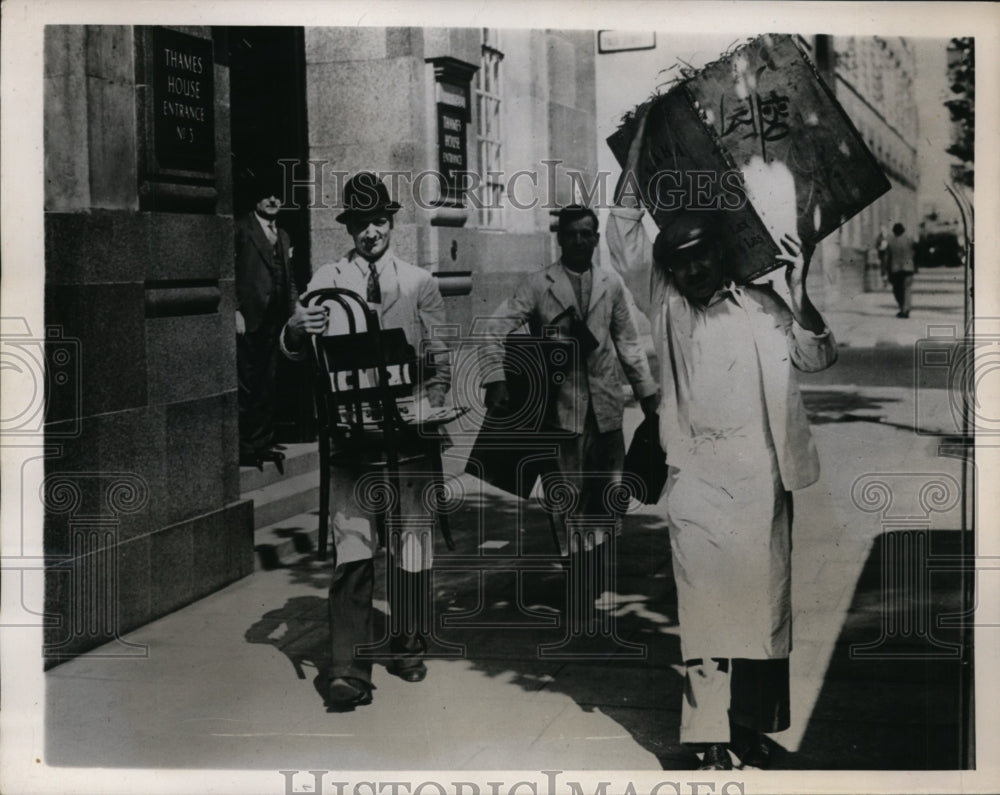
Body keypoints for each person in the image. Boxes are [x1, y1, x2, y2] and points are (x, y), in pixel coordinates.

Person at [606, 113, 838, 770]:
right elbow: (621, 236)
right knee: (705, 611)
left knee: (763, 611)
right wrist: (640, 155)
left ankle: (750, 727)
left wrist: (799, 293)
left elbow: (819, 356)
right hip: (698, 478)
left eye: (702, 256)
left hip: (762, 478)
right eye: (681, 262)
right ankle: (707, 735)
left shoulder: (764, 306)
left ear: (720, 252)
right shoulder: (667, 306)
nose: (694, 269)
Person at [281, 172, 451, 710]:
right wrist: (296, 329)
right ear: (349, 229)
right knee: (353, 541)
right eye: (361, 224)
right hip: (352, 434)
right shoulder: (327, 278)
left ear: (391, 223)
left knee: (411, 540)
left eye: (379, 221)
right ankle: (347, 670)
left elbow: (439, 358)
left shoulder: (419, 282)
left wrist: (431, 400)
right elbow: (298, 348)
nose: (371, 232)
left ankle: (407, 644)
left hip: (408, 433)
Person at [478, 204, 659, 628]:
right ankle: (579, 586)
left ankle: (592, 579)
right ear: (560, 238)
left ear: (596, 238)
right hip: (560, 415)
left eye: (586, 234)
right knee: (567, 502)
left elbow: (628, 344)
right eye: (571, 234)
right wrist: (496, 379)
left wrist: (648, 396)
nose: (579, 240)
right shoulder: (538, 284)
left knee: (607, 499)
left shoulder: (611, 284)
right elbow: (493, 328)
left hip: (606, 411)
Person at [235, 171, 298, 471]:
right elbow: (226, 272)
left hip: (276, 321)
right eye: (266, 195)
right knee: (247, 383)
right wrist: (234, 310)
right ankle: (244, 446)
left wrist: (295, 311)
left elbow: (289, 278)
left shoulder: (283, 235)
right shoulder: (241, 229)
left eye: (277, 196)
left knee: (268, 382)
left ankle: (262, 442)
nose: (273, 200)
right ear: (256, 200)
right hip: (249, 320)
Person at [885, 222, 916, 318]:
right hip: (908, 268)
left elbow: (887, 257)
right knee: (907, 289)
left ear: (894, 231)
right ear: (903, 230)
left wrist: (886, 269)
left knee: (897, 290)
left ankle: (902, 308)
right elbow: (915, 251)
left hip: (895, 269)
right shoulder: (909, 240)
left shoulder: (890, 242)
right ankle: (905, 309)